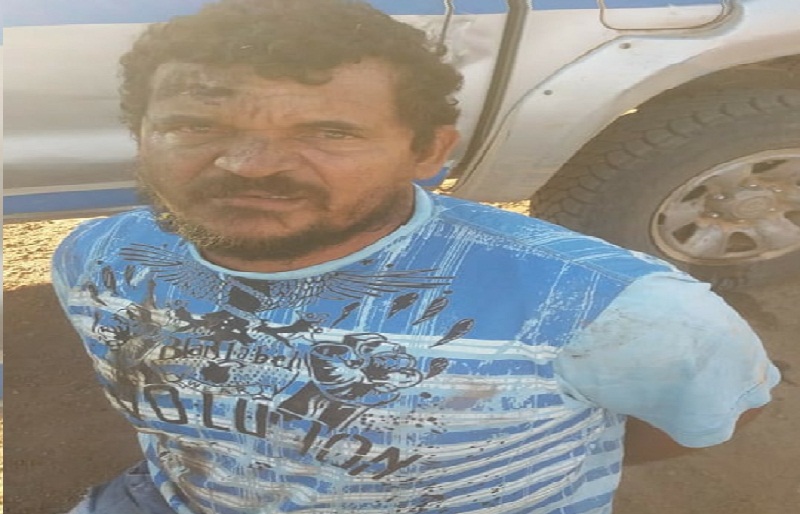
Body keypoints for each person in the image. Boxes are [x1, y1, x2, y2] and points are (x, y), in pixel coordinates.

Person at [52, 1, 780, 513]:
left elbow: (703, 420)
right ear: (141, 134)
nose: (249, 165)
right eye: (193, 125)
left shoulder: (616, 307)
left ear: (429, 150)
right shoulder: (99, 259)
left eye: (330, 133)